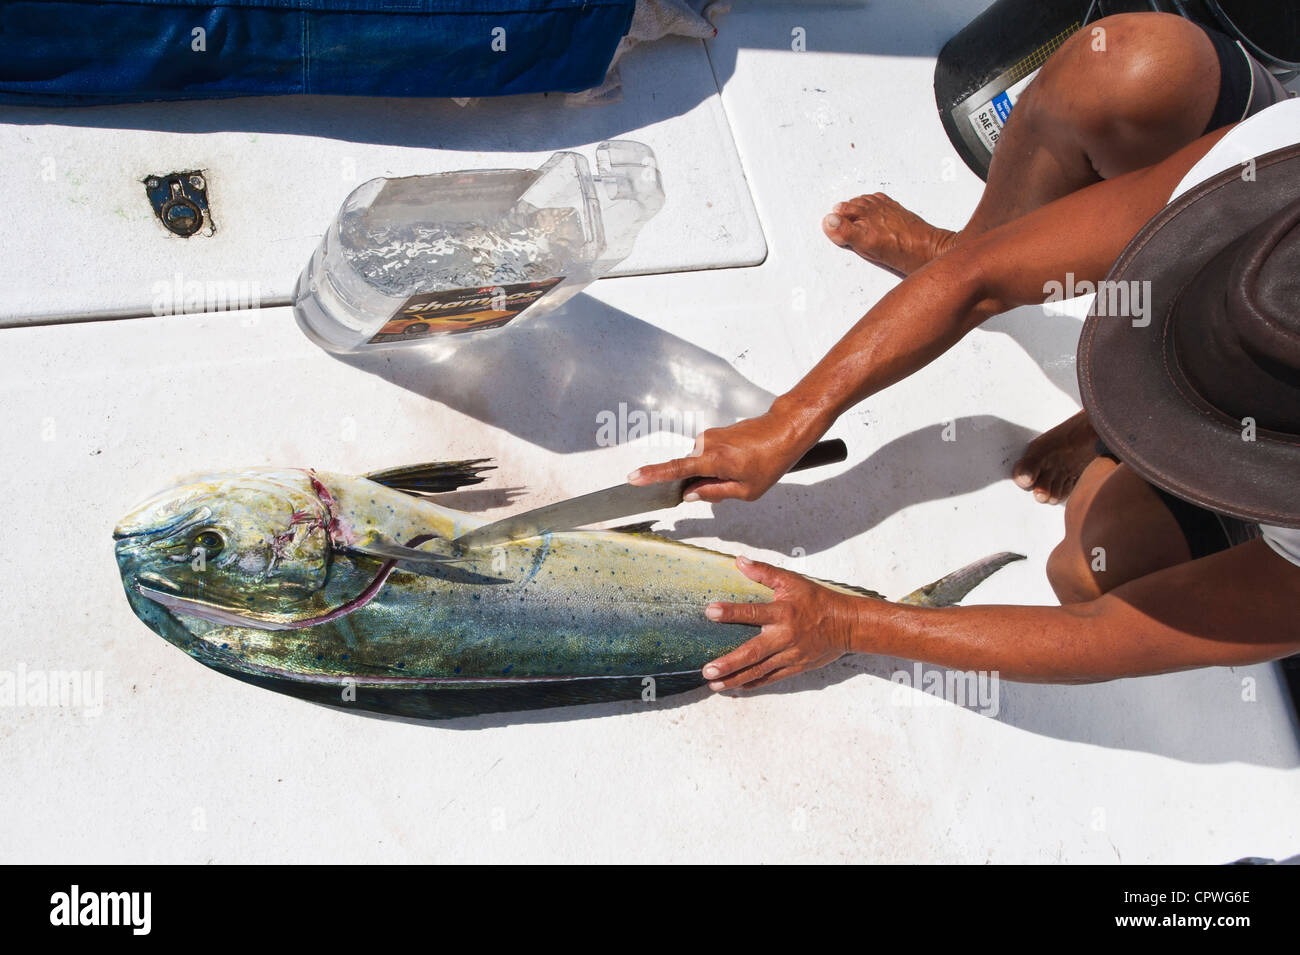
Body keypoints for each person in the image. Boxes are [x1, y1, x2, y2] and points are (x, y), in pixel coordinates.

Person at [627, 12, 1300, 689]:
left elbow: (1113, 632)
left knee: (1092, 566)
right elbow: (978, 281)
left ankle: (1119, 424)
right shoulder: (1278, 168)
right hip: (1250, 262)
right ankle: (989, 246)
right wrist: (791, 418)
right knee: (1129, 64)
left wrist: (852, 623)